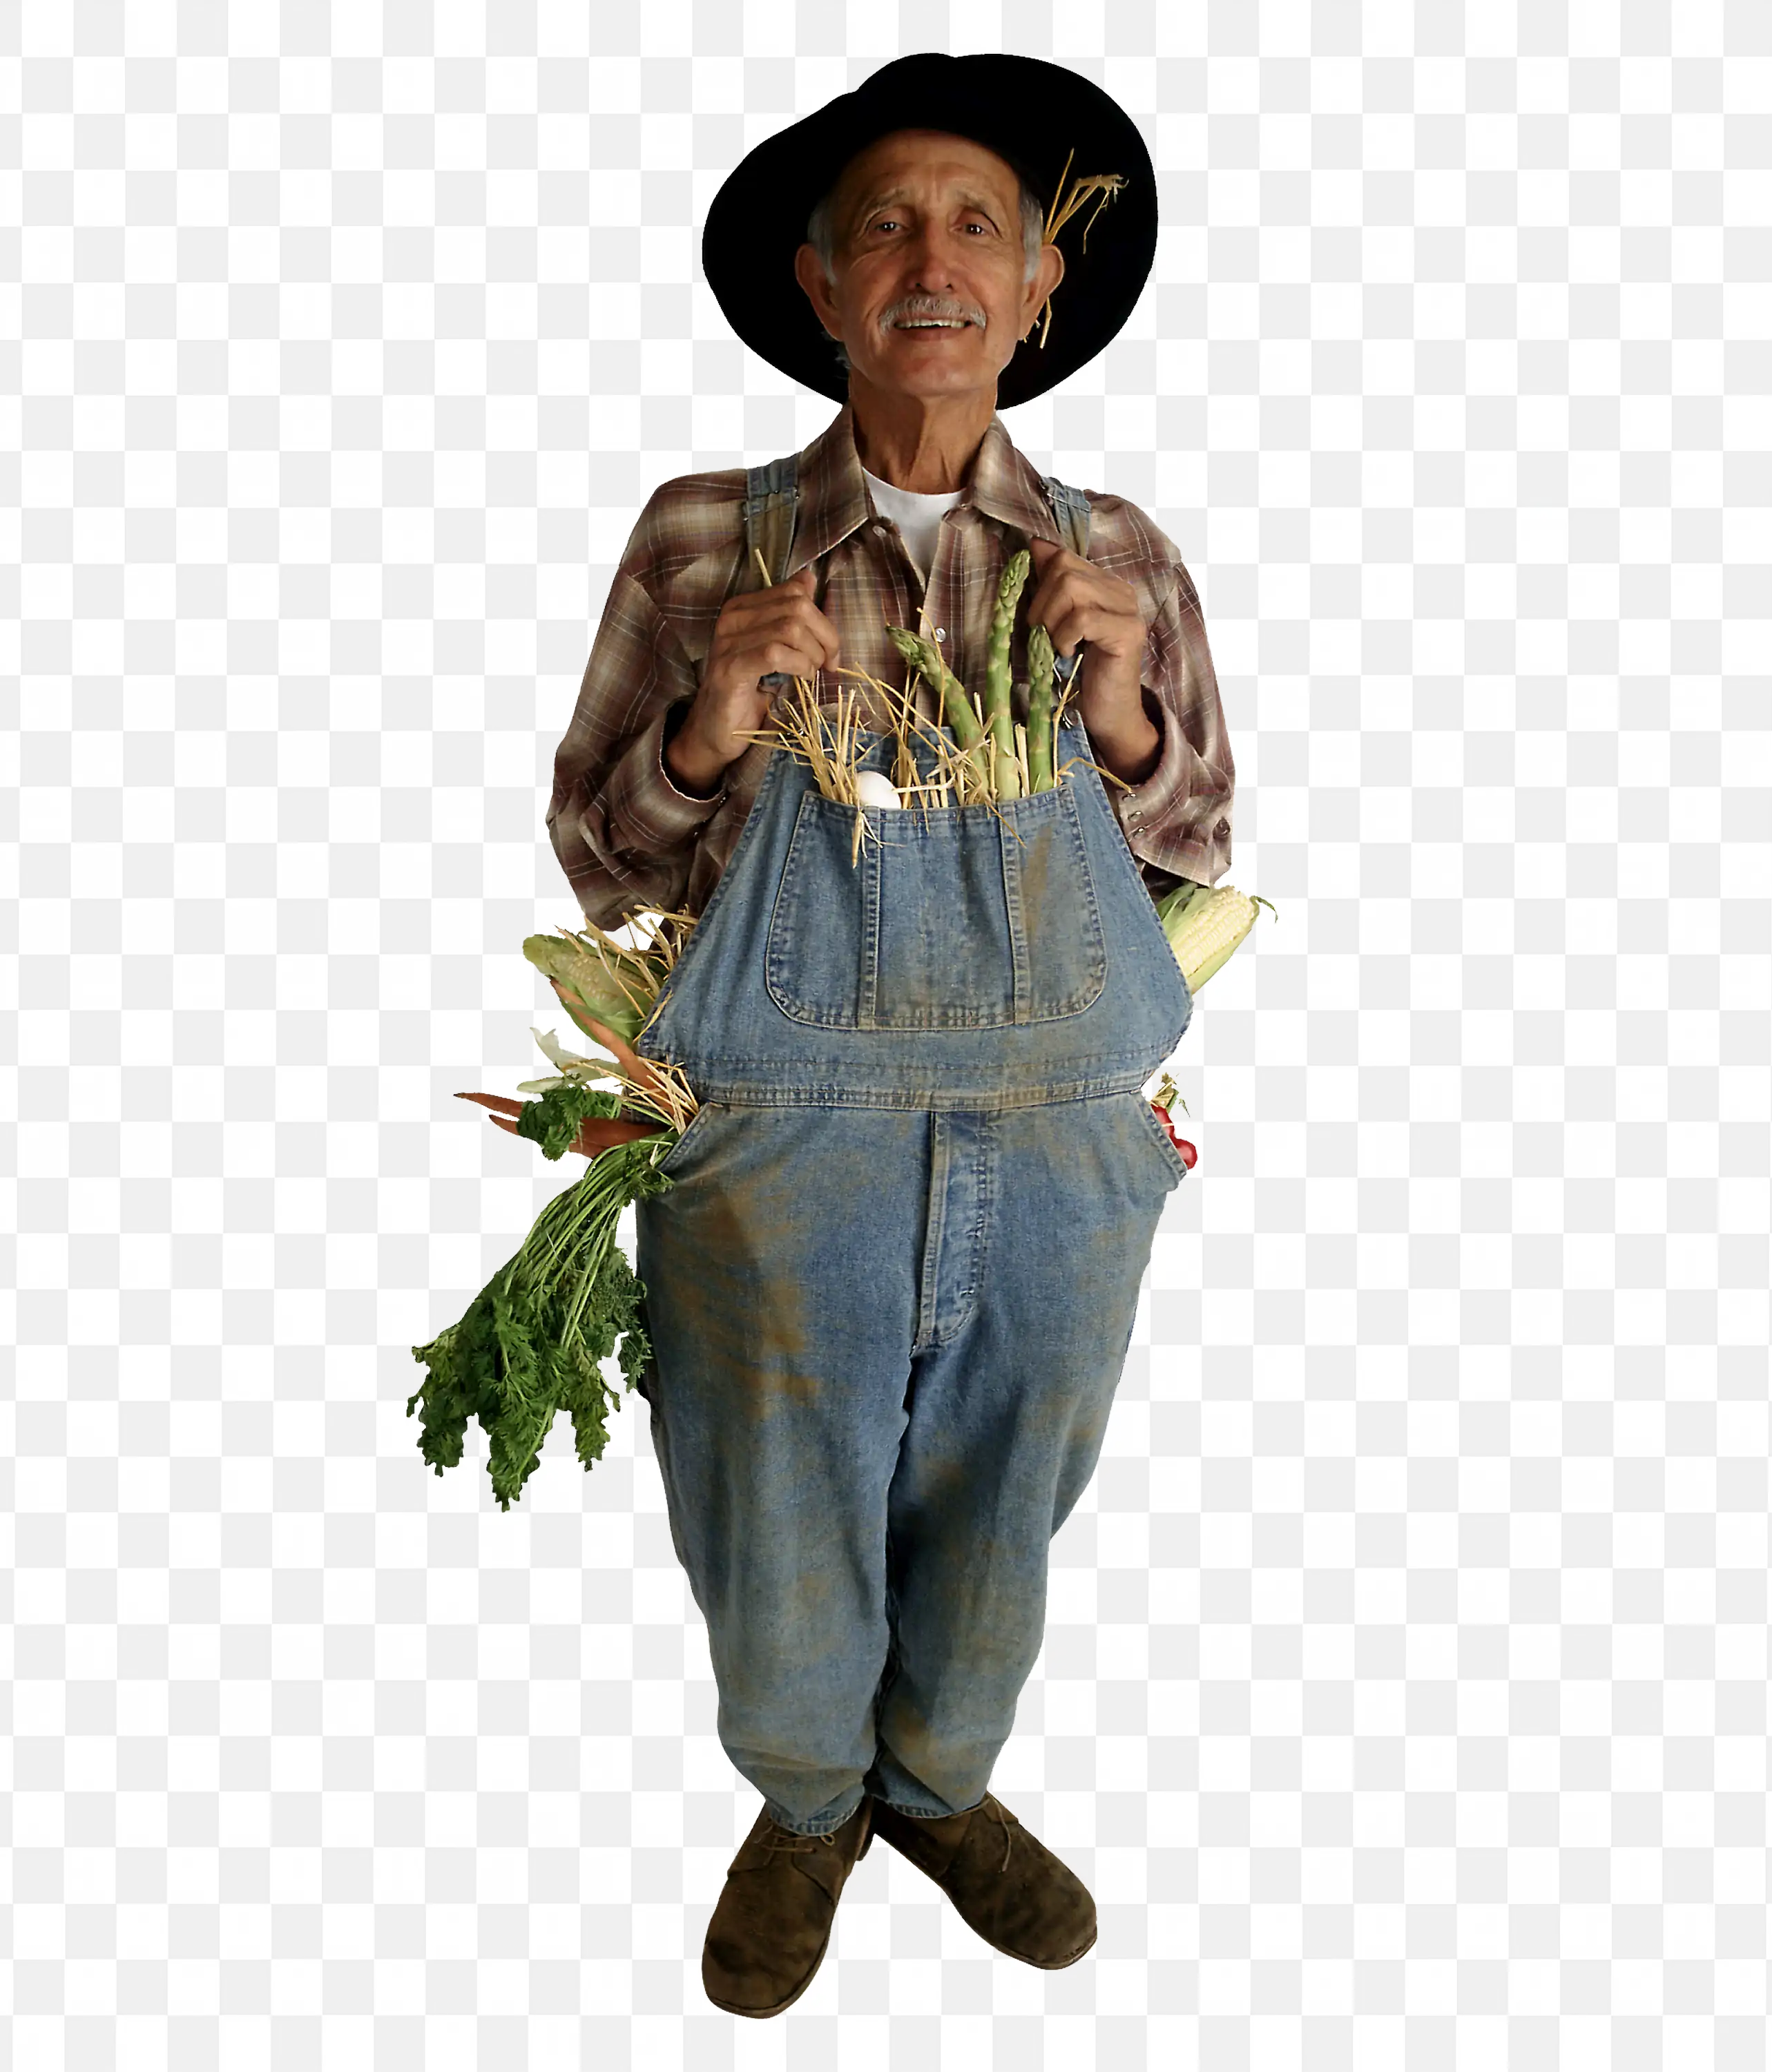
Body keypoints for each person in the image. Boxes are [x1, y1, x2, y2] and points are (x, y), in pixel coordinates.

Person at [510, 53, 1237, 2017]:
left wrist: (1123, 722)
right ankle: (810, 1799)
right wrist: (705, 730)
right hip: (780, 1120)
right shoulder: (703, 539)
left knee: (1014, 1486)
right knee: (768, 1489)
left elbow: (1198, 843)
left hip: (1063, 1116)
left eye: (980, 224)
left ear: (1039, 292)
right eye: (888, 227)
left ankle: (941, 1784)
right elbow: (599, 860)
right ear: (823, 288)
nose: (935, 260)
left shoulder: (1122, 554)